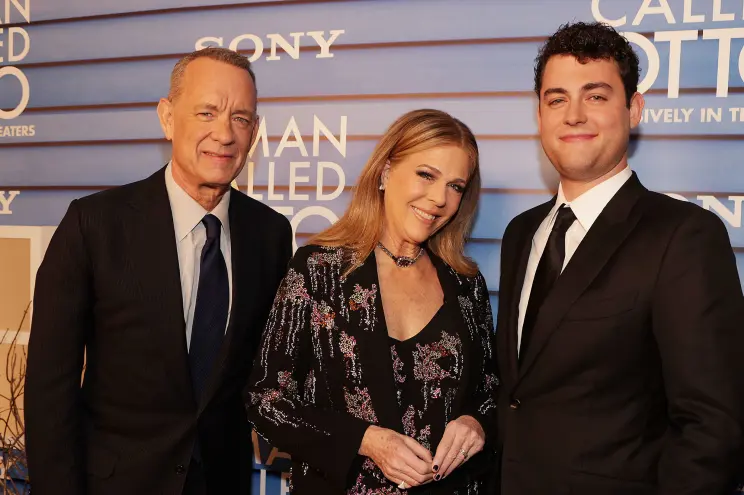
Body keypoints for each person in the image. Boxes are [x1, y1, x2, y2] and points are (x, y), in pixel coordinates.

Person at [25, 47, 292, 495]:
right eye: (206, 112)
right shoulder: (94, 224)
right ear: (167, 118)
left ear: (255, 131)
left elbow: (270, 373)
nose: (224, 134)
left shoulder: (271, 234)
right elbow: (50, 389)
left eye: (241, 118)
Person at [495, 21, 744, 495]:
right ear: (540, 115)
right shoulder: (520, 233)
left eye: (595, 96)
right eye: (557, 100)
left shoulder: (683, 236)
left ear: (633, 109)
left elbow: (713, 429)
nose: (574, 115)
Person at [245, 109, 499, 494]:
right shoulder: (319, 270)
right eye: (426, 175)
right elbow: (266, 400)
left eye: (455, 186)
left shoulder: (467, 285)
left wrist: (476, 423)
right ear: (385, 171)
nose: (439, 198)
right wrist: (365, 440)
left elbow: (492, 390)